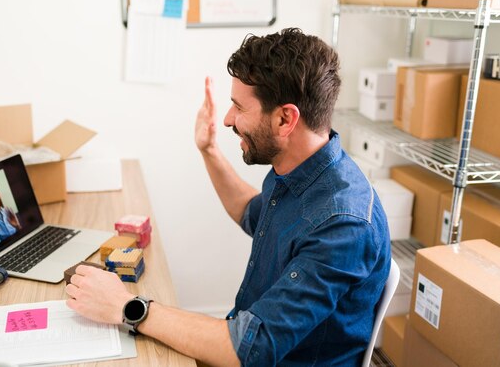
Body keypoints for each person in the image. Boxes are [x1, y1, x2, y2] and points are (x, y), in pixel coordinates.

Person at [65, 28, 391, 366]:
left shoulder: (342, 224)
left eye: (238, 107)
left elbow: (251, 347)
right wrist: (209, 151)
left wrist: (127, 307)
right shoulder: (302, 172)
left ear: (285, 119)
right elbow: (253, 214)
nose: (227, 119)